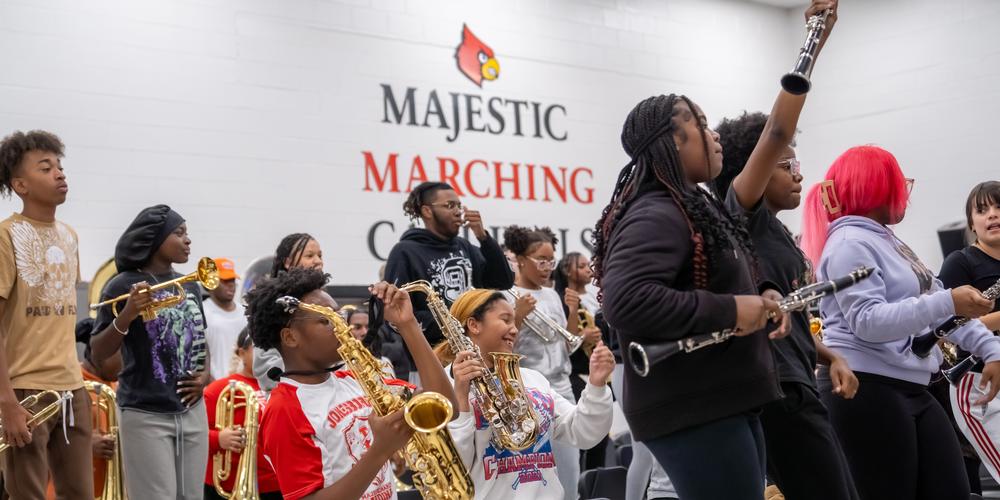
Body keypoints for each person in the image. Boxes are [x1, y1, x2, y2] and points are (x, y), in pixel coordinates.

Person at [593, 88, 791, 497]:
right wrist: (732, 310)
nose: (714, 134)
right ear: (673, 139)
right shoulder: (654, 212)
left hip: (721, 401)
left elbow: (712, 279)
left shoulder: (691, 205)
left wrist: (763, 292)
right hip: (696, 407)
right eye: (701, 124)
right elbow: (627, 300)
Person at [800, 147, 1000, 499]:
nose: (905, 192)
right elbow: (868, 321)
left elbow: (937, 302)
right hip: (867, 389)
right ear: (876, 187)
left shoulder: (885, 239)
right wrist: (948, 301)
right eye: (899, 182)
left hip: (908, 385)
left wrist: (990, 348)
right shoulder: (849, 242)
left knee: (952, 489)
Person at [713, 106, 859, 498]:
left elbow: (791, 322)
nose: (798, 174)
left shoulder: (774, 230)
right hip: (777, 387)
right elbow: (774, 134)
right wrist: (808, 61)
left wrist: (830, 357)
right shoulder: (740, 218)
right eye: (785, 164)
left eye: (797, 162)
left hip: (797, 381)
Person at [245, 268, 458, 499]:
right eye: (327, 320)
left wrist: (408, 325)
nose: (343, 327)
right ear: (290, 337)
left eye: (340, 317)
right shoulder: (283, 409)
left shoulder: (353, 378)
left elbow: (445, 407)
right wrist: (380, 450)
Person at [441, 288, 614, 500]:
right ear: (474, 325)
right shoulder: (443, 385)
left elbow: (583, 432)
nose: (514, 329)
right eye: (505, 320)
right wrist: (461, 397)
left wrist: (596, 384)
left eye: (514, 321)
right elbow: (454, 468)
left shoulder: (534, 380)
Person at [90, 204, 210, 500]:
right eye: (179, 233)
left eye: (187, 233)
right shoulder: (122, 284)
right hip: (146, 412)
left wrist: (204, 376)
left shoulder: (191, 285)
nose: (187, 240)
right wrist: (128, 313)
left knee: (192, 496)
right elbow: (99, 351)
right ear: (155, 239)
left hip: (192, 409)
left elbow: (199, 341)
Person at [0, 129, 94, 499]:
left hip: (73, 387)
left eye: (59, 166)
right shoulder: (6, 236)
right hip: (24, 390)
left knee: (80, 494)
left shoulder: (69, 235)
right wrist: (6, 400)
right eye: (45, 167)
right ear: (20, 184)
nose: (59, 174)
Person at [384, 181, 515, 355]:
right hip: (431, 357)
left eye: (459, 205)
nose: (458, 211)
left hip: (473, 353)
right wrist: (455, 326)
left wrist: (483, 237)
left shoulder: (465, 246)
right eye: (450, 205)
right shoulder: (405, 251)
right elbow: (397, 311)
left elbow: (502, 281)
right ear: (427, 211)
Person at [503, 225, 583, 499]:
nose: (548, 267)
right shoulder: (507, 295)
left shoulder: (552, 294)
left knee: (570, 472)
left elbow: (566, 343)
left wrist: (572, 311)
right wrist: (518, 316)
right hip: (528, 394)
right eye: (541, 261)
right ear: (521, 260)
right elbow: (501, 348)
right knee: (533, 475)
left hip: (562, 387)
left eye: (551, 261)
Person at [938, 180, 1000, 488]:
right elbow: (947, 327)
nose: (993, 215)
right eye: (982, 209)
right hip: (980, 383)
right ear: (972, 223)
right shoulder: (960, 262)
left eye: (999, 207)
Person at [203, 328, 281, 500]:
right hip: (228, 487)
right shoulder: (218, 389)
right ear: (242, 353)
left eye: (272, 347)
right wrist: (219, 439)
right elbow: (194, 435)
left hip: (276, 484)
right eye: (260, 347)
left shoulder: (284, 387)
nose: (267, 353)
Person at [253, 233, 330, 393]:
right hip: (291, 398)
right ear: (288, 262)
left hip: (328, 395)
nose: (318, 261)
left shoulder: (323, 299)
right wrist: (310, 381)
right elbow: (264, 366)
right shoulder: (272, 303)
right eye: (309, 255)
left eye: (320, 255)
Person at [552, 252, 606, 469]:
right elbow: (563, 344)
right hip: (576, 371)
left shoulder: (595, 295)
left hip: (597, 369)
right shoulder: (561, 298)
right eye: (581, 266)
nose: (588, 270)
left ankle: (596, 483)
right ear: (567, 271)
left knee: (601, 436)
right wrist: (584, 336)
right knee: (583, 436)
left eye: (588, 265)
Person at [204, 257, 246, 381]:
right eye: (225, 281)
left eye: (232, 280)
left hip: (243, 389)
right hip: (214, 389)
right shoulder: (202, 312)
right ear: (211, 282)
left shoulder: (245, 313)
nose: (231, 285)